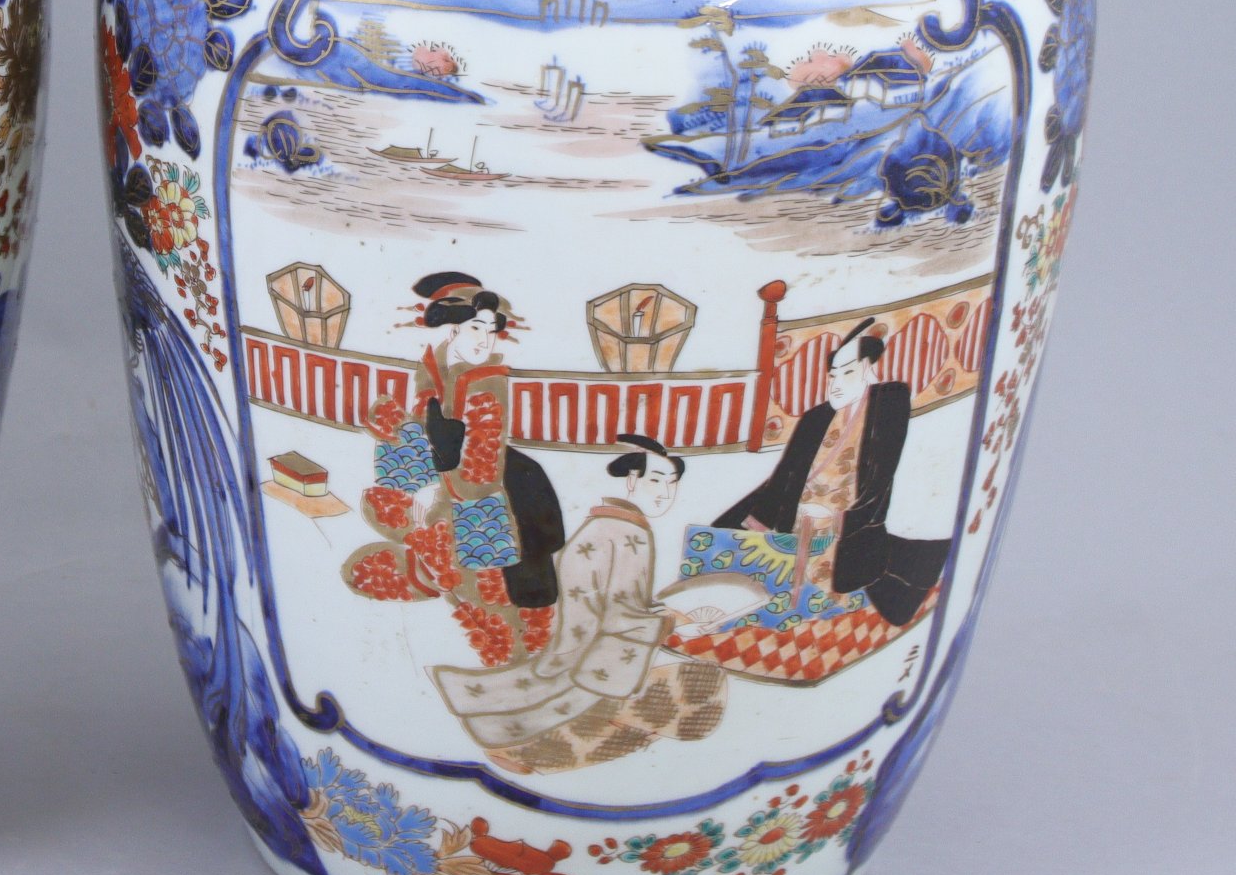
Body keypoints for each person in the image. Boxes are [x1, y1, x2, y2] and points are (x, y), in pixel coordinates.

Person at [432, 434, 731, 774]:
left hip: (576, 645)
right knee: (700, 684)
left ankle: (508, 738)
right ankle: (524, 750)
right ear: (632, 480)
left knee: (533, 695)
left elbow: (621, 603)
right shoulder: (627, 534)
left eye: (672, 483)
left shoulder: (603, 526)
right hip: (592, 655)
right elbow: (619, 615)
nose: (665, 493)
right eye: (656, 480)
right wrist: (671, 622)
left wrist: (665, 616)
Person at [340, 272, 567, 668]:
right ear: (451, 329)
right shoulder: (434, 369)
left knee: (500, 575)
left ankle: (517, 650)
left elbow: (483, 465)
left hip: (502, 489)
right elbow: (424, 429)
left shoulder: (487, 383)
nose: (485, 340)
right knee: (416, 531)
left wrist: (436, 493)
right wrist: (412, 462)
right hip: (451, 481)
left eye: (491, 331)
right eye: (475, 328)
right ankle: (429, 575)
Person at [715, 324, 948, 627]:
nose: (836, 384)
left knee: (836, 605)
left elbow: (879, 482)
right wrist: (757, 520)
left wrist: (838, 517)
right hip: (798, 521)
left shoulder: (887, 407)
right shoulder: (816, 418)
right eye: (832, 376)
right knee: (766, 577)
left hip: (846, 527)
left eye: (848, 372)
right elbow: (784, 478)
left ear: (867, 370)